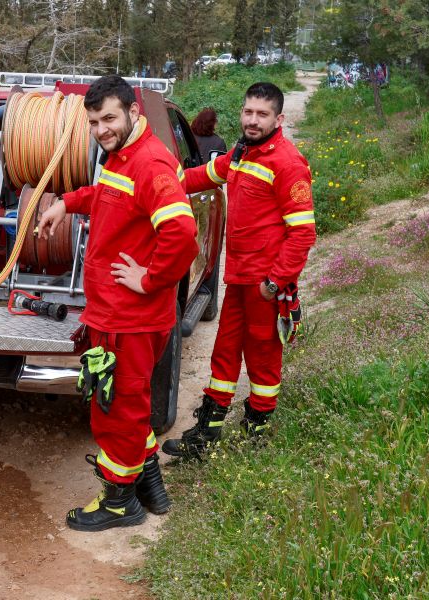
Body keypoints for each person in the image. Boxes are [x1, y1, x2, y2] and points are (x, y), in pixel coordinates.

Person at [38, 75, 199, 531]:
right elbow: (111, 198)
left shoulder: (149, 163)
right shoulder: (124, 156)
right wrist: (67, 203)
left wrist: (149, 280)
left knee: (116, 412)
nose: (101, 130)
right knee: (130, 404)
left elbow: (183, 233)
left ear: (133, 111)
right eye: (93, 122)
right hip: (121, 314)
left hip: (128, 318)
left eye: (108, 118)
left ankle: (118, 503)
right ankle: (150, 486)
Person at [163, 82, 316, 460]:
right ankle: (207, 433)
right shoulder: (241, 154)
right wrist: (159, 181)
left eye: (262, 114)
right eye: (249, 112)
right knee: (225, 352)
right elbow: (202, 176)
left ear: (279, 119)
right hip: (239, 279)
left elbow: (303, 234)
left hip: (264, 284)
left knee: (263, 357)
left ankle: (256, 433)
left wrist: (274, 282)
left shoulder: (287, 163)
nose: (253, 120)